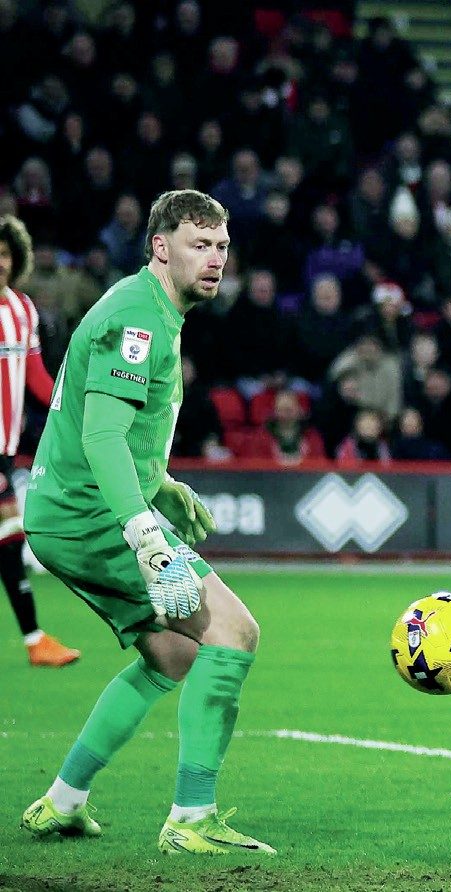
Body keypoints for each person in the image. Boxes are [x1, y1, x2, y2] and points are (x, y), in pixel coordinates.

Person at [20, 190, 273, 854]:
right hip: (90, 516)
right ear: (160, 246)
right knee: (233, 631)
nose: (214, 259)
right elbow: (102, 439)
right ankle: (191, 819)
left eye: (221, 246)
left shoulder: (149, 308)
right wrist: (145, 532)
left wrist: (160, 484)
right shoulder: (138, 320)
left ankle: (64, 802)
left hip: (65, 515)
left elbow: (102, 430)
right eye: (198, 244)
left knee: (173, 653)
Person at [0, 215, 79, 666]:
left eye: (5, 254)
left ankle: (34, 641)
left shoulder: (22, 310)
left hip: (5, 451)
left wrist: (64, 411)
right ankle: (34, 641)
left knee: (9, 542)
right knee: (9, 539)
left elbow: (34, 375)